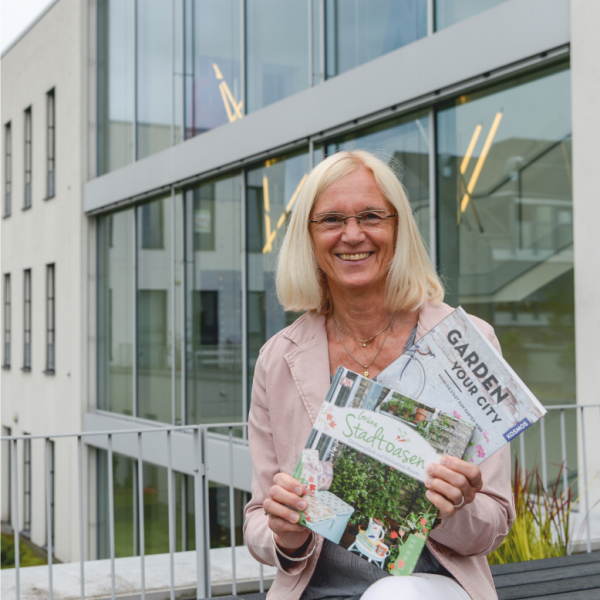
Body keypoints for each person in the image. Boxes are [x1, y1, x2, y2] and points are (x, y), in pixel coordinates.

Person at [243, 150, 515, 600]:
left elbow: (494, 523)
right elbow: (257, 515)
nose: (352, 235)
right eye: (331, 220)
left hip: (429, 588)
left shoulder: (465, 342)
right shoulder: (278, 359)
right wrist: (283, 534)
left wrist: (454, 507)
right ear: (308, 238)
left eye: (371, 215)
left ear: (398, 227)